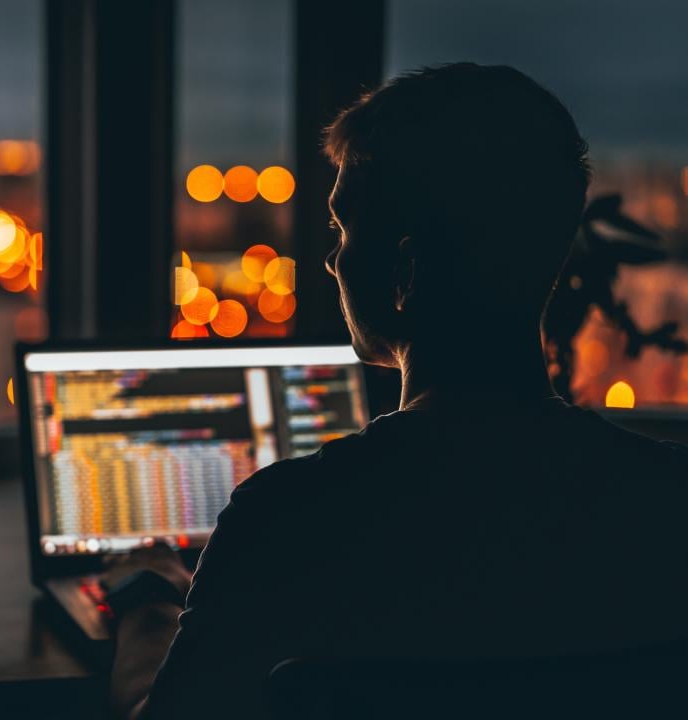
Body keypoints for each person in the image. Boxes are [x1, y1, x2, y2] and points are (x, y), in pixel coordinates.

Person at [103, 63, 688, 720]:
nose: (330, 261)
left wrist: (149, 609)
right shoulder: (669, 498)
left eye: (342, 230)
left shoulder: (286, 519)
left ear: (405, 268)